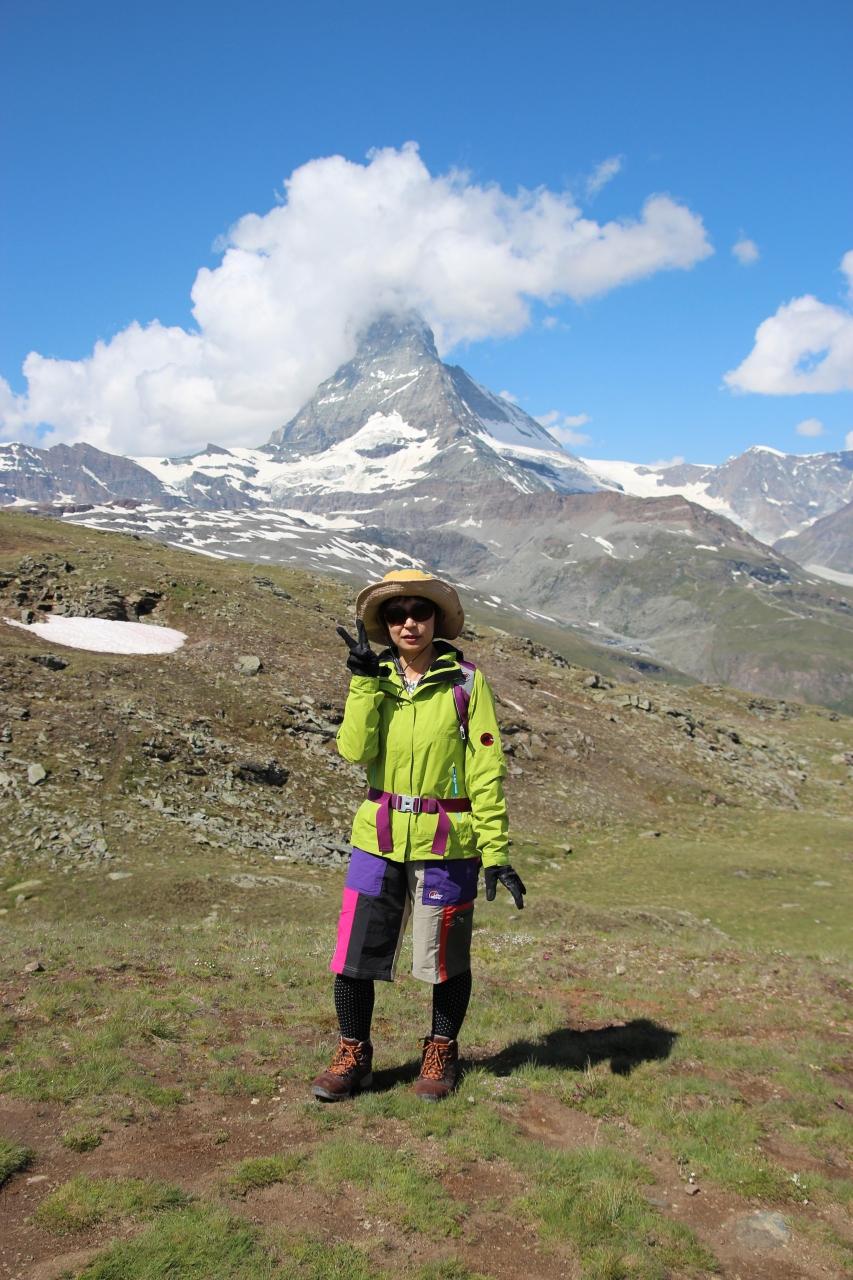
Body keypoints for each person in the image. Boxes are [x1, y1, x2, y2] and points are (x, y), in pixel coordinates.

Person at [311, 568, 526, 1103]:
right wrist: (362, 684)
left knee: (446, 959)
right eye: (396, 614)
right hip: (377, 837)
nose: (409, 622)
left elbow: (485, 771)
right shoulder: (375, 678)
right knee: (354, 955)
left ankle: (441, 1052)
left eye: (419, 611)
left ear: (436, 619)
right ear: (385, 624)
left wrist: (495, 852)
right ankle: (353, 1054)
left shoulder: (467, 683)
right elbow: (354, 750)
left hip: (448, 842)